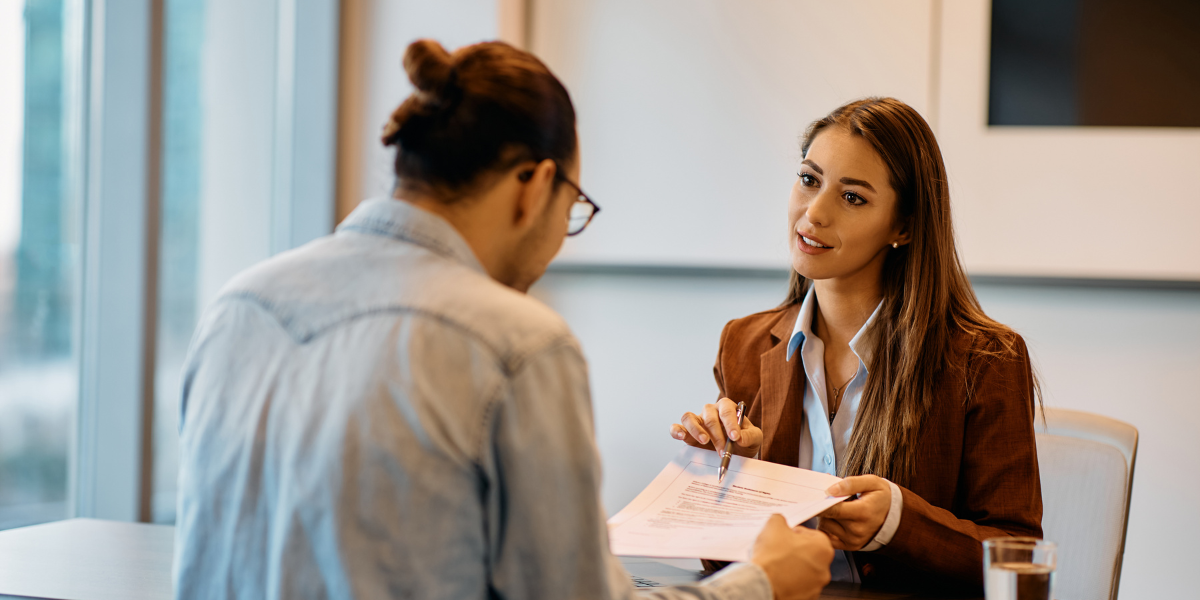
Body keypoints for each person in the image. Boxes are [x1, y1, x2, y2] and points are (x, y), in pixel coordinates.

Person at [173, 39, 833, 600]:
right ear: (533, 184)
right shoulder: (516, 343)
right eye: (573, 206)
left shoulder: (239, 307)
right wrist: (762, 582)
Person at [670, 98, 1042, 594]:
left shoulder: (984, 359)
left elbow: (1017, 559)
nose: (814, 213)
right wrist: (733, 479)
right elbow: (724, 570)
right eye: (809, 180)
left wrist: (899, 525)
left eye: (852, 198)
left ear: (903, 227)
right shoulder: (744, 342)